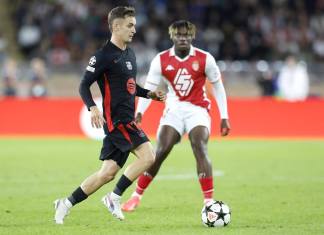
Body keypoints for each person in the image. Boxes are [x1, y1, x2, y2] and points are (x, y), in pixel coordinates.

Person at [54, 6, 165, 224]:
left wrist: (149, 94)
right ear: (116, 26)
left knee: (107, 173)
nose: (134, 29)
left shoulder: (129, 54)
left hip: (126, 120)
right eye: (130, 25)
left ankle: (65, 203)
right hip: (118, 122)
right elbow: (84, 85)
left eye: (134, 25)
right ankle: (114, 197)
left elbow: (130, 87)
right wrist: (92, 107)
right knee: (149, 156)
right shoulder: (104, 56)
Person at [122, 20, 230, 212]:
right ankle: (136, 197)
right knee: (161, 150)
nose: (183, 38)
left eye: (186, 35)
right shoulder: (161, 60)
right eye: (179, 35)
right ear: (172, 36)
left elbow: (218, 86)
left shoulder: (205, 58)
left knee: (199, 145)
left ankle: (208, 203)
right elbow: (150, 88)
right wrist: (139, 112)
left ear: (192, 37)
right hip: (174, 109)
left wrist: (224, 116)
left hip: (198, 110)